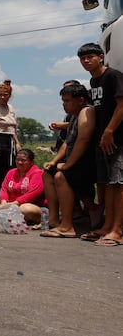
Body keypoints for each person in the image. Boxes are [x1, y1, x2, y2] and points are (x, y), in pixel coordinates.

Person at [77, 43, 123, 246]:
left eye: (90, 57)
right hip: (102, 142)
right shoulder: (93, 81)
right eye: (82, 58)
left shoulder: (113, 76)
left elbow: (122, 104)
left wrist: (109, 131)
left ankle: (118, 230)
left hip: (116, 140)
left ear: (101, 57)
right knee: (106, 186)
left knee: (118, 184)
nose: (86, 61)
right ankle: (107, 226)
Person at [41, 83, 98, 238]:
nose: (64, 105)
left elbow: (83, 140)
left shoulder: (87, 112)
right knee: (47, 173)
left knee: (61, 176)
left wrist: (68, 164)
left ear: (80, 100)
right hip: (75, 162)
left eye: (67, 101)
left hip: (87, 163)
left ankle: (67, 226)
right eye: (63, 101)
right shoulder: (74, 115)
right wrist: (54, 161)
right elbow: (67, 142)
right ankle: (53, 219)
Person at [0, 149, 44, 226]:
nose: (19, 162)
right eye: (17, 160)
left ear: (31, 162)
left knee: (26, 209)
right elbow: (4, 189)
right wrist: (4, 202)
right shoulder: (11, 172)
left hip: (30, 205)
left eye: (23, 160)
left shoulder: (38, 173)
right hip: (11, 204)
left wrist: (14, 204)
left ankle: (0, 214)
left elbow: (33, 193)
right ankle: (8, 215)